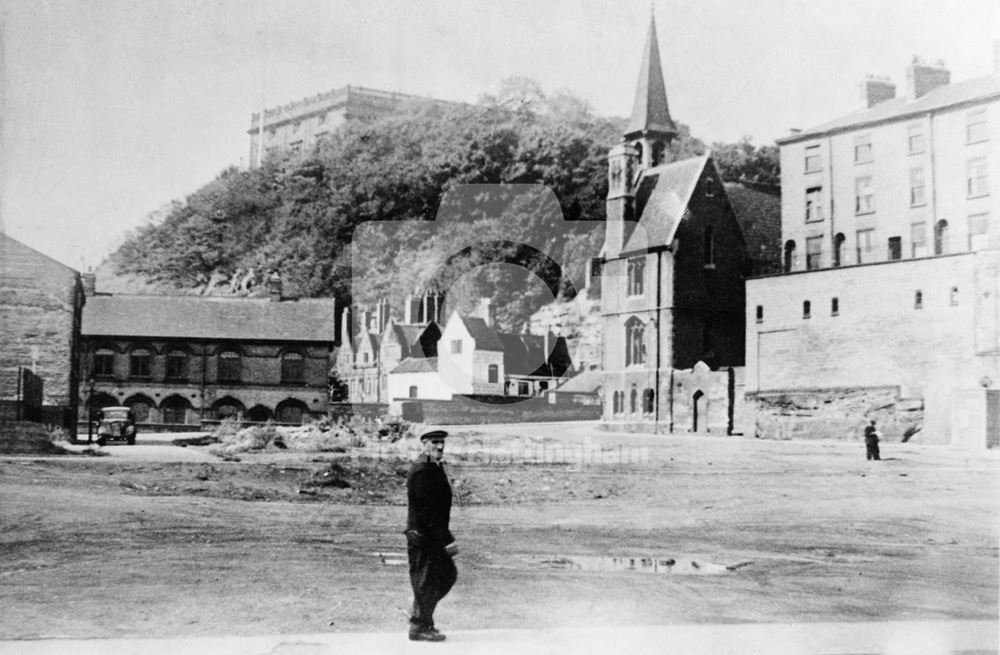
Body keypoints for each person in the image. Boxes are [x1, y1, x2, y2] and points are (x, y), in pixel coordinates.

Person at [404, 429, 458, 642]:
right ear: (424, 444)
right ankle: (420, 626)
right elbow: (427, 512)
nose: (440, 447)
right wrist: (448, 540)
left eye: (442, 442)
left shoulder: (433, 466)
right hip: (424, 537)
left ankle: (420, 620)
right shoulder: (422, 469)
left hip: (431, 535)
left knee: (441, 577)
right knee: (431, 580)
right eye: (435, 442)